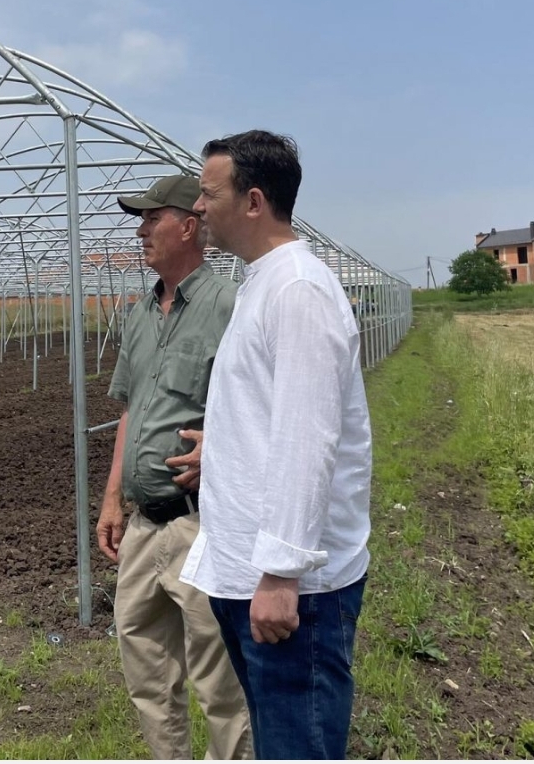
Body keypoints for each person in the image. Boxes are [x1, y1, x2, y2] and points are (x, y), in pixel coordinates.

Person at [181, 131, 372, 760]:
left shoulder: (297, 290)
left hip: (291, 592)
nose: (198, 208)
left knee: (298, 745)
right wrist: (224, 441)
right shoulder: (262, 282)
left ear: (254, 200)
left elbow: (307, 436)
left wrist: (281, 575)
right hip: (247, 572)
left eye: (208, 194)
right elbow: (275, 410)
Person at [96, 173, 253, 760]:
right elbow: (132, 412)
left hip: (201, 524)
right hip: (143, 524)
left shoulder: (230, 305)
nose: (141, 231)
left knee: (220, 682)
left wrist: (221, 439)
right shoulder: (139, 314)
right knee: (147, 672)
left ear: (189, 225)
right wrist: (113, 498)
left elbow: (264, 404)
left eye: (151, 218)